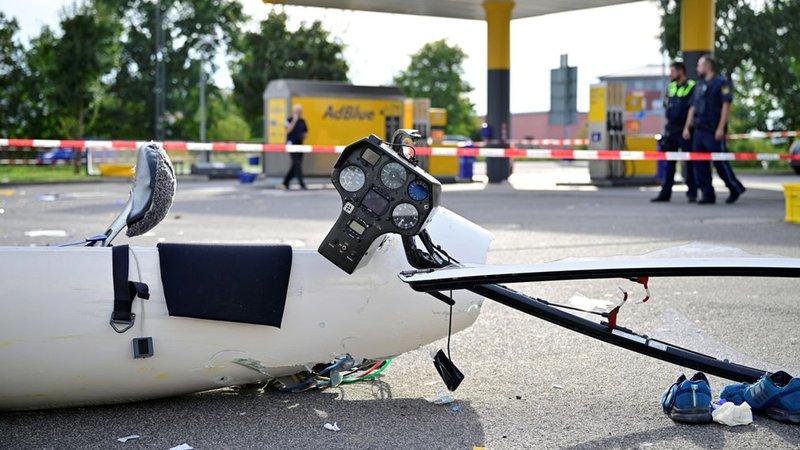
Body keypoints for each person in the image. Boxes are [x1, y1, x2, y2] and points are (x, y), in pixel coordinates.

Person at [682, 55, 746, 204]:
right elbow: (692, 107)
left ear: (707, 66)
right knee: (699, 165)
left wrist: (720, 128)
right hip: (698, 131)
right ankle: (707, 194)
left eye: (699, 65)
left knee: (720, 162)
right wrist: (687, 127)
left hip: (712, 130)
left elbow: (726, 105)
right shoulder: (698, 85)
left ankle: (735, 188)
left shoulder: (721, 83)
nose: (697, 68)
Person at [652, 60, 697, 202]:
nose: (670, 74)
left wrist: (687, 128)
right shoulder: (671, 87)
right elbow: (668, 107)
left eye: (672, 71)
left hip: (684, 130)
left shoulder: (691, 86)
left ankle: (692, 193)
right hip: (671, 129)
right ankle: (665, 194)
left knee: (689, 163)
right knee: (669, 164)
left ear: (680, 71)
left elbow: (692, 108)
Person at [282, 104, 308, 190]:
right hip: (291, 145)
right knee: (297, 163)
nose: (298, 112)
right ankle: (301, 183)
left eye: (300, 111)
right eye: (297, 111)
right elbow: (288, 131)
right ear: (294, 111)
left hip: (300, 145)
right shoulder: (289, 119)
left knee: (297, 164)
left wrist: (304, 135)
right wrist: (294, 120)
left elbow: (305, 132)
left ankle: (286, 181)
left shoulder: (303, 121)